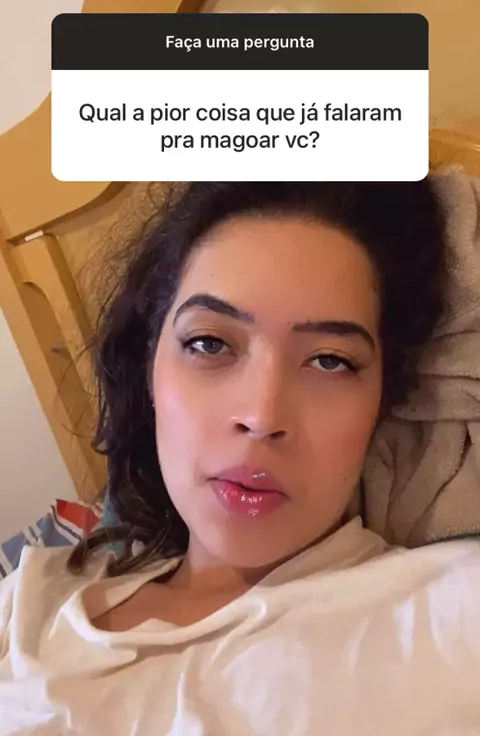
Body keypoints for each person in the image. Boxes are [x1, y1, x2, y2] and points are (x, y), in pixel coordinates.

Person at [1, 180, 480, 736]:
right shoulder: (28, 600)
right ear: (149, 365)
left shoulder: (452, 614)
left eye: (330, 361)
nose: (261, 414)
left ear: (383, 401)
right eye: (209, 343)